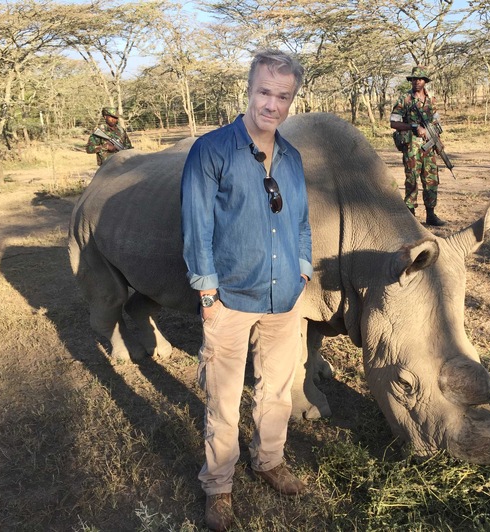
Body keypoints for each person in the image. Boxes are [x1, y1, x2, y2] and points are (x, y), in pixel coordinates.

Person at [180, 49, 312, 532]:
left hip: (284, 299)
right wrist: (208, 296)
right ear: (249, 90)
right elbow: (197, 229)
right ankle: (218, 485)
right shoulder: (211, 151)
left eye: (282, 96)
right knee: (223, 398)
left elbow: (299, 221)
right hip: (230, 298)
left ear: (291, 100)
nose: (271, 105)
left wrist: (302, 269)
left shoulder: (293, 159)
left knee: (277, 389)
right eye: (264, 92)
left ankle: (270, 460)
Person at [390, 66, 446, 226]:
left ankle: (431, 214)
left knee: (431, 180)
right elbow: (393, 123)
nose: (417, 81)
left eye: (420, 79)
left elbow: (436, 122)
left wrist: (437, 140)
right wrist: (414, 127)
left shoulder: (431, 100)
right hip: (412, 147)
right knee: (412, 179)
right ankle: (411, 216)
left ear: (425, 81)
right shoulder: (404, 99)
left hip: (429, 147)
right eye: (414, 79)